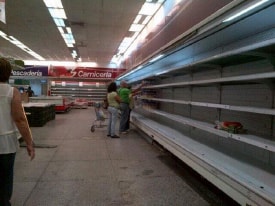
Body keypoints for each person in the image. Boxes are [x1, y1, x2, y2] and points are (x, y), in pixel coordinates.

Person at [0, 58, 35, 206]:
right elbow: (20, 119)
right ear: (8, 73)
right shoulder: (11, 92)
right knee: (4, 180)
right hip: (5, 144)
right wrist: (29, 142)